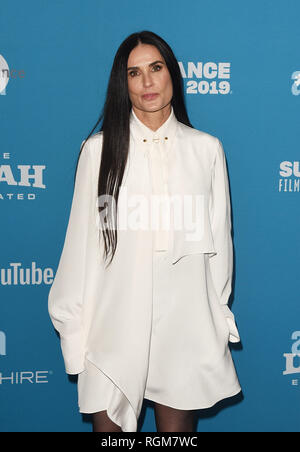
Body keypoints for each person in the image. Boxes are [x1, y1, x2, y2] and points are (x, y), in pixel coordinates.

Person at [48, 30, 242, 433]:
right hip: (111, 328)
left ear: (172, 74)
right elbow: (81, 248)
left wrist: (217, 319)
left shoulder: (206, 149)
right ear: (124, 85)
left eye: (156, 68)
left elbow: (219, 248)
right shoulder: (98, 153)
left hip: (183, 326)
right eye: (134, 73)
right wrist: (73, 331)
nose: (147, 82)